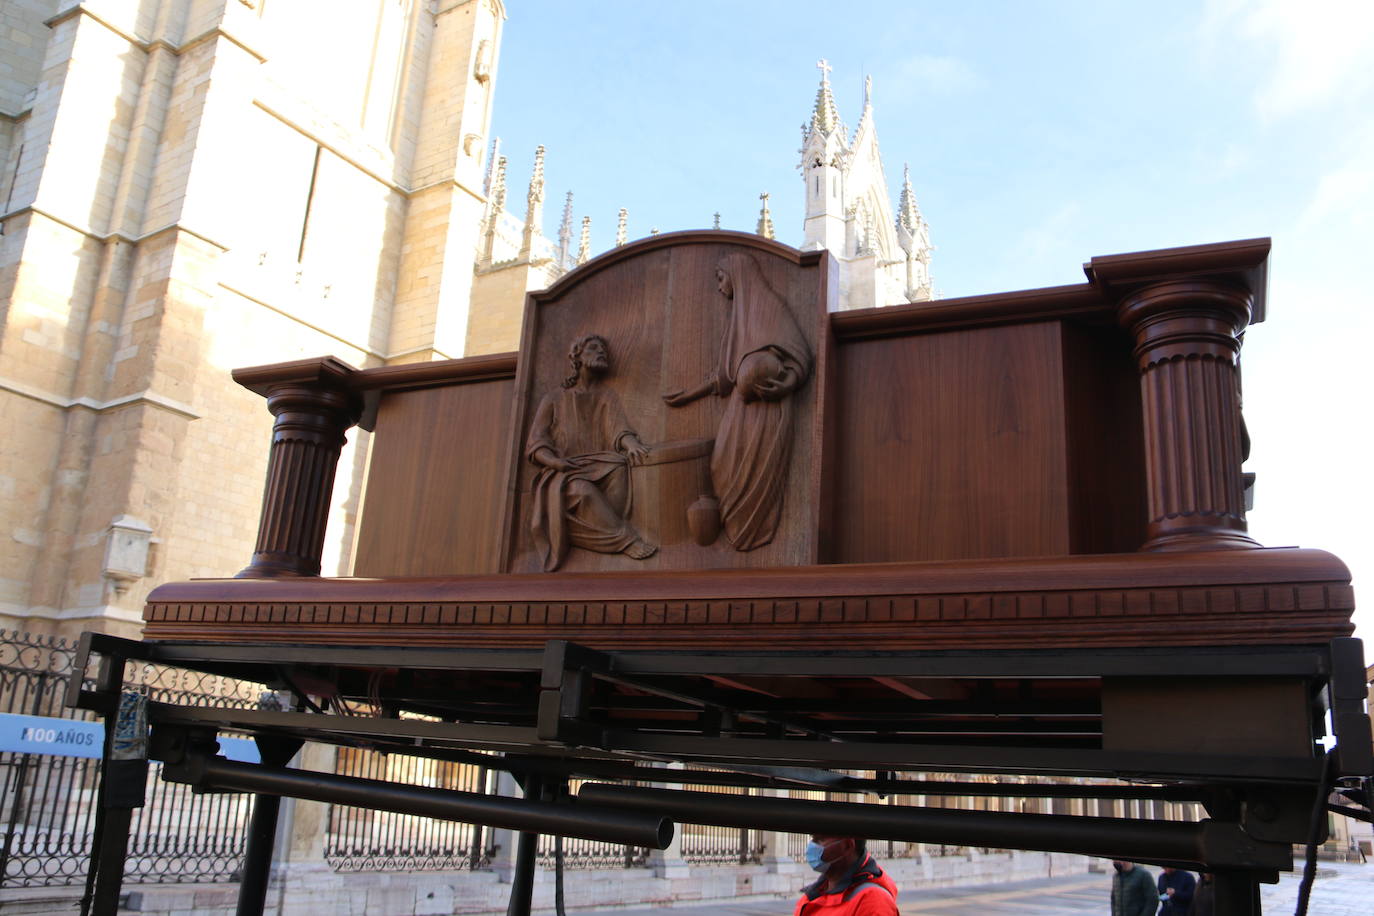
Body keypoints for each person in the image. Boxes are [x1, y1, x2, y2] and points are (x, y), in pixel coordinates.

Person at [663, 252, 812, 550]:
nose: (719, 287)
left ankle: (752, 534)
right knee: (720, 464)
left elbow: (799, 356)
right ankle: (736, 531)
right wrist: (688, 396)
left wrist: (787, 383)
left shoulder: (771, 308)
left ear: (737, 274)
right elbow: (726, 378)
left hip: (768, 408)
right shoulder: (738, 321)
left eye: (720, 278)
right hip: (740, 409)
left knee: (760, 471)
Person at [527, 334, 656, 571]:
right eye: (594, 348)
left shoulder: (607, 396)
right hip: (564, 472)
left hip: (602, 465)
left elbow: (619, 429)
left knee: (619, 468)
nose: (602, 352)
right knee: (584, 491)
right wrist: (557, 463)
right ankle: (626, 540)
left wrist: (631, 445)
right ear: (577, 356)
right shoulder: (554, 399)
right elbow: (536, 445)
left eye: (604, 350)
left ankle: (592, 526)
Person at [793, 835, 897, 916]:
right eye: (813, 839)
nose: (811, 846)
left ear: (847, 845)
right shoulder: (815, 894)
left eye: (820, 840)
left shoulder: (873, 902)